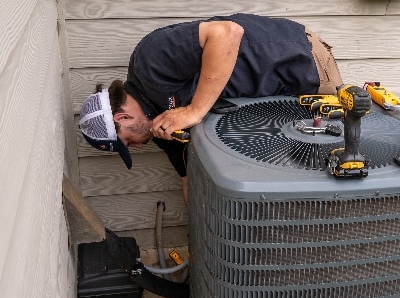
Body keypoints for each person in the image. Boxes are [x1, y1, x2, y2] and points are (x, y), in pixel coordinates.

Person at [78, 13, 343, 205]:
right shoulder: (159, 122)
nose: (136, 146)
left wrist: (195, 110)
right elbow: (188, 180)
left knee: (330, 163)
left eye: (127, 141)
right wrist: (199, 238)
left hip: (301, 66)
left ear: (122, 117)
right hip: (277, 102)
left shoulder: (149, 60)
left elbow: (227, 33)